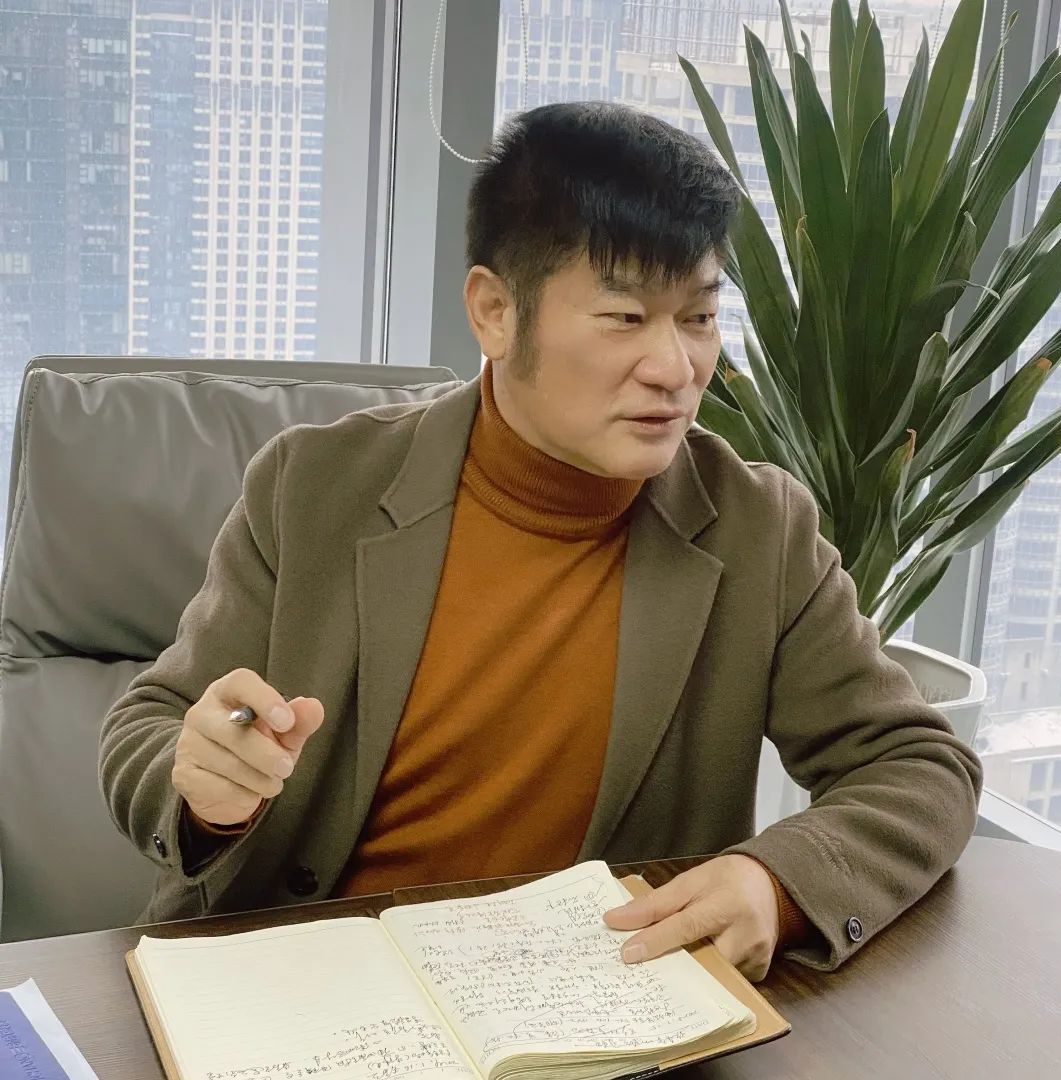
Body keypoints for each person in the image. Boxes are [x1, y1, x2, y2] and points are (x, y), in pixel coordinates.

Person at [100, 101, 982, 982]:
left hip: (579, 1006)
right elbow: (151, 721)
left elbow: (920, 765)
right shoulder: (315, 486)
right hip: (288, 981)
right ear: (494, 311)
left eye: (699, 318)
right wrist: (203, 787)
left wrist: (775, 884)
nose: (675, 368)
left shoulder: (760, 532)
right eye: (625, 317)